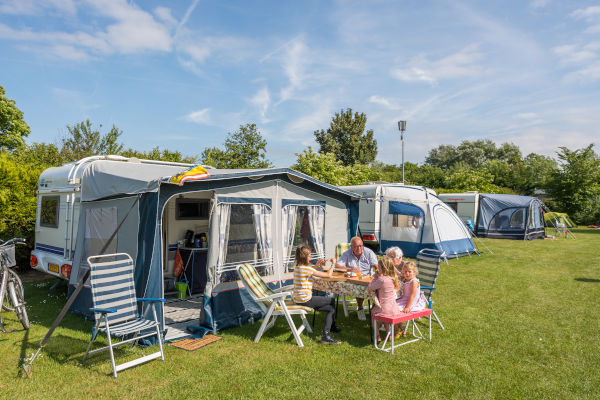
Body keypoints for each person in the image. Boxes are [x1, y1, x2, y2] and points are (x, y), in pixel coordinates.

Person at [292, 245, 341, 345]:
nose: (310, 257)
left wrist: (317, 265)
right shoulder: (306, 269)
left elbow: (309, 272)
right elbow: (328, 275)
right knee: (331, 301)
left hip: (298, 298)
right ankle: (327, 335)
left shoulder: (298, 267)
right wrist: (333, 264)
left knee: (330, 309)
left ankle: (328, 332)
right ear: (305, 257)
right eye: (309, 255)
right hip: (305, 300)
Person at [335, 236, 378, 320]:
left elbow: (376, 266)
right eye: (356, 246)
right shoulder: (347, 253)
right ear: (351, 247)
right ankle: (360, 308)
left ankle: (375, 309)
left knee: (379, 287)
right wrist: (350, 269)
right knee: (358, 286)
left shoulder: (368, 252)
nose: (359, 248)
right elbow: (337, 265)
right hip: (353, 278)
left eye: (360, 246)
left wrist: (378, 274)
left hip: (367, 276)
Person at [367, 257, 402, 341]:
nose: (377, 269)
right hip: (394, 308)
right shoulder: (393, 278)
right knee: (385, 316)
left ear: (383, 268)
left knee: (373, 313)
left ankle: (377, 335)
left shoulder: (381, 280)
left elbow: (369, 288)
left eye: (378, 267)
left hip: (384, 308)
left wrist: (375, 277)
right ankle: (388, 334)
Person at [396, 261, 427, 336]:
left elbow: (412, 296)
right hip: (404, 299)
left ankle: (397, 330)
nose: (407, 274)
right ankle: (400, 328)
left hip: (412, 302)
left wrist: (407, 307)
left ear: (414, 272)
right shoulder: (405, 279)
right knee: (392, 306)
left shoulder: (414, 282)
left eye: (409, 272)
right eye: (405, 272)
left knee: (396, 309)